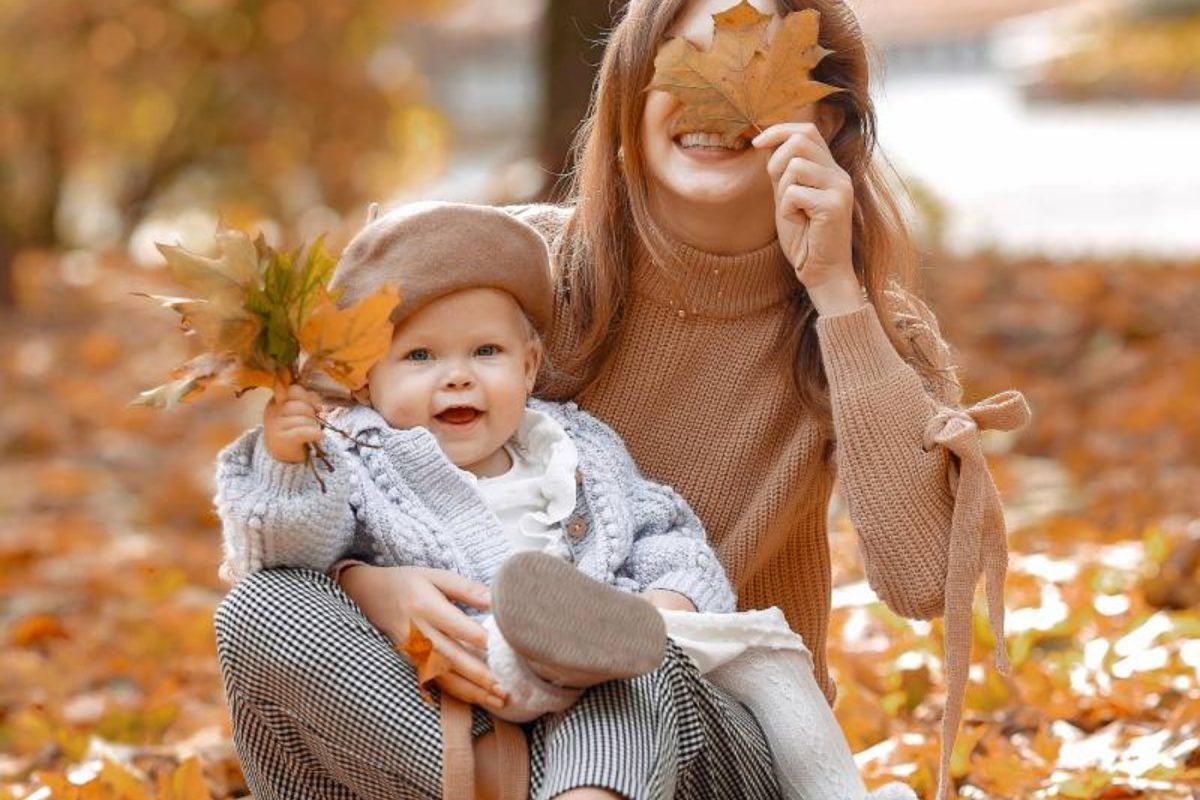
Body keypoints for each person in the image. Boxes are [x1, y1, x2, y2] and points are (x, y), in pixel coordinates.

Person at [213, 1, 1029, 799]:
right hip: (475, 695)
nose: (718, 96)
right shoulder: (514, 275)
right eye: (687, 60)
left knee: (633, 651)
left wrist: (836, 294)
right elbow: (330, 446)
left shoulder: (862, 328)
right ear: (632, 92)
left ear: (830, 122)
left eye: (760, 67)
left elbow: (924, 582)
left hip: (702, 727)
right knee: (266, 610)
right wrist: (368, 587)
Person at [215, 200, 915, 800]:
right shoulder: (354, 455)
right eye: (421, 357)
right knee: (259, 605)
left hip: (628, 709)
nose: (456, 378)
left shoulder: (576, 447)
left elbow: (664, 532)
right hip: (462, 708)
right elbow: (287, 556)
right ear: (366, 381)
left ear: (527, 367)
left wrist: (665, 608)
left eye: (484, 352)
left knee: (623, 658)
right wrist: (288, 467)